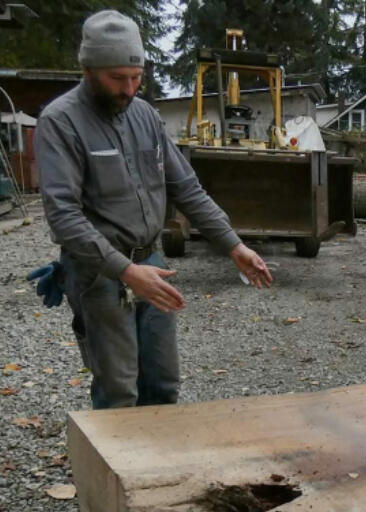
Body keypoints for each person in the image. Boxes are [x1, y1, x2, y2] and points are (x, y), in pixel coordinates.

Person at [33, 9, 273, 409]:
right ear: (88, 69)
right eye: (117, 79)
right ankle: (114, 469)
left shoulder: (144, 115)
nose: (129, 89)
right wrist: (127, 272)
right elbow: (63, 217)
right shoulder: (60, 122)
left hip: (153, 262)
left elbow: (186, 187)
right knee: (119, 389)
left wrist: (234, 246)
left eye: (136, 77)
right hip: (100, 274)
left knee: (163, 384)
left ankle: (157, 469)